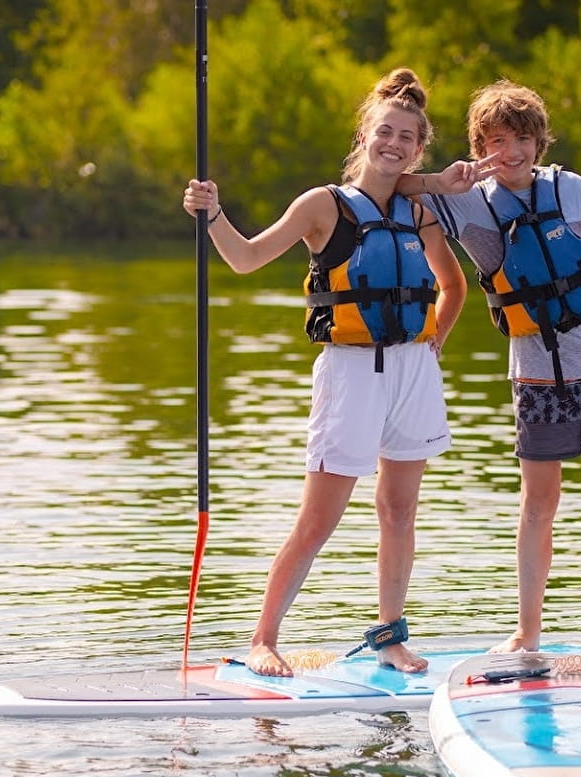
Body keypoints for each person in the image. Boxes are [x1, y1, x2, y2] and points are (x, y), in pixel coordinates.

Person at [182, 68, 480, 677]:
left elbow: (453, 286)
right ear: (365, 135)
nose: (393, 144)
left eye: (407, 138)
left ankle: (390, 635)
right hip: (351, 374)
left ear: (419, 148)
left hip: (412, 373)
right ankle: (264, 637)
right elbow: (245, 260)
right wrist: (212, 215)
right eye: (384, 132)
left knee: (399, 512)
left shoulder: (421, 210)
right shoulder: (322, 206)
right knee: (320, 517)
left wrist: (434, 344)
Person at [405, 79, 581, 664]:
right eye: (498, 140)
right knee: (538, 505)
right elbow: (392, 186)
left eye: (524, 139)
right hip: (537, 377)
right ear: (481, 144)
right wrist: (441, 180)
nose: (513, 152)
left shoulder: (572, 188)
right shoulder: (466, 201)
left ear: (540, 141)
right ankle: (528, 632)